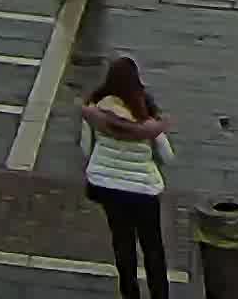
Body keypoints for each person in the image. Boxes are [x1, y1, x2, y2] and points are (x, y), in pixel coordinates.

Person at [80, 54, 174, 296]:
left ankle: (130, 293)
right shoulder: (144, 114)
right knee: (152, 247)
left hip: (107, 187)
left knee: (122, 243)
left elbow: (85, 147)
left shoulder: (95, 110)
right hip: (143, 190)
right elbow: (167, 156)